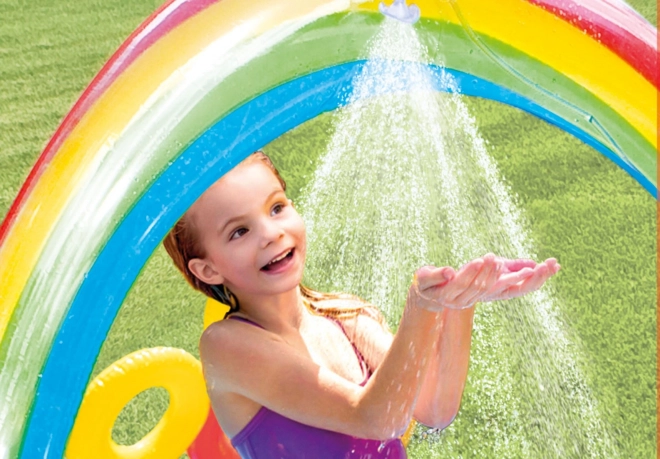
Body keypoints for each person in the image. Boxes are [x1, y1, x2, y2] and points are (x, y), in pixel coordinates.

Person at [163, 151, 560, 458]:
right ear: (208, 269)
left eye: (277, 207)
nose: (270, 233)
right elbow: (376, 417)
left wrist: (459, 304)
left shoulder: (345, 315)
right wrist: (421, 307)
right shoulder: (227, 345)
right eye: (239, 231)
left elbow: (434, 408)